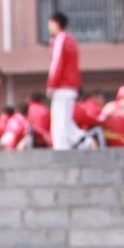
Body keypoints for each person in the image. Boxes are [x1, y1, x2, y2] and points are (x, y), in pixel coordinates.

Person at [46, 13, 81, 150]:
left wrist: (51, 85)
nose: (49, 27)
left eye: (50, 23)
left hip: (62, 86)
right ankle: (82, 140)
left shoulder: (60, 40)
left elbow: (57, 64)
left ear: (56, 23)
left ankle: (63, 147)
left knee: (59, 121)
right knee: (65, 121)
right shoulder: (71, 41)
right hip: (70, 85)